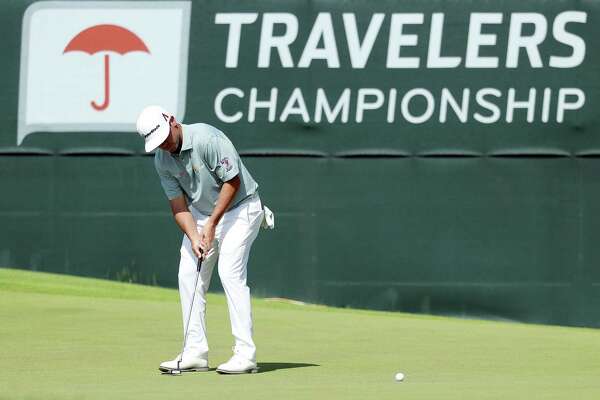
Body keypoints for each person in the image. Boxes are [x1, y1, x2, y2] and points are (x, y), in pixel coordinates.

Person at [136, 105, 264, 374]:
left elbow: (233, 182)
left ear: (172, 121)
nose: (165, 146)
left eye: (165, 138)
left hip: (241, 208)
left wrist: (213, 224)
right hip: (202, 213)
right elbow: (178, 206)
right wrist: (195, 236)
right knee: (188, 274)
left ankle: (246, 354)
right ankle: (195, 351)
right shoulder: (162, 159)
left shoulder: (207, 138)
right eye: (158, 143)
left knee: (229, 272)